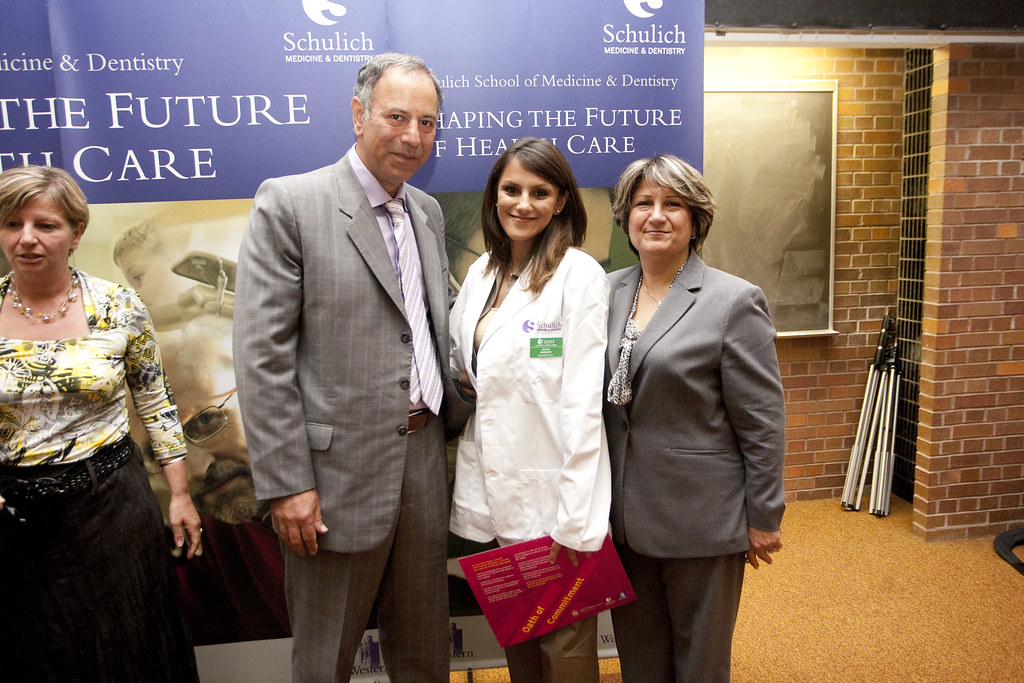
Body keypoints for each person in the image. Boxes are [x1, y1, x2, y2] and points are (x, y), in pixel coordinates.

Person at [233, 53, 470, 682]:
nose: (413, 136)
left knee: (424, 649)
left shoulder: (426, 210)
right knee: (325, 656)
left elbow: (423, 325)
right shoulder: (291, 204)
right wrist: (287, 482)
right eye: (396, 117)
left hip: (423, 461)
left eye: (427, 122)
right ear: (359, 113)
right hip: (331, 478)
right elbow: (263, 358)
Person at [0, 164, 201, 682]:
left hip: (111, 505)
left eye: (45, 225)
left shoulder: (118, 305)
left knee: (133, 647)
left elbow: (155, 402)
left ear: (75, 232)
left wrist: (179, 495)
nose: (27, 239)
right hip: (16, 522)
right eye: (12, 224)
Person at [603, 155, 786, 682]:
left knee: (699, 663)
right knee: (639, 660)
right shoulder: (607, 290)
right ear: (626, 216)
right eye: (643, 204)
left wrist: (763, 516)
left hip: (701, 518)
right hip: (621, 516)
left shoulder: (734, 301)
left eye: (672, 205)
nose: (656, 216)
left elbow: (763, 420)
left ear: (695, 219)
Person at [449, 137, 611, 682]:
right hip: (496, 487)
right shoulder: (481, 274)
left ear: (561, 200)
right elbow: (468, 369)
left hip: (554, 494)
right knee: (519, 638)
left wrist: (576, 516)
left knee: (564, 651)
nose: (522, 203)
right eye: (511, 189)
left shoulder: (579, 274)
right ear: (494, 193)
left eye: (539, 192)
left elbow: (585, 402)